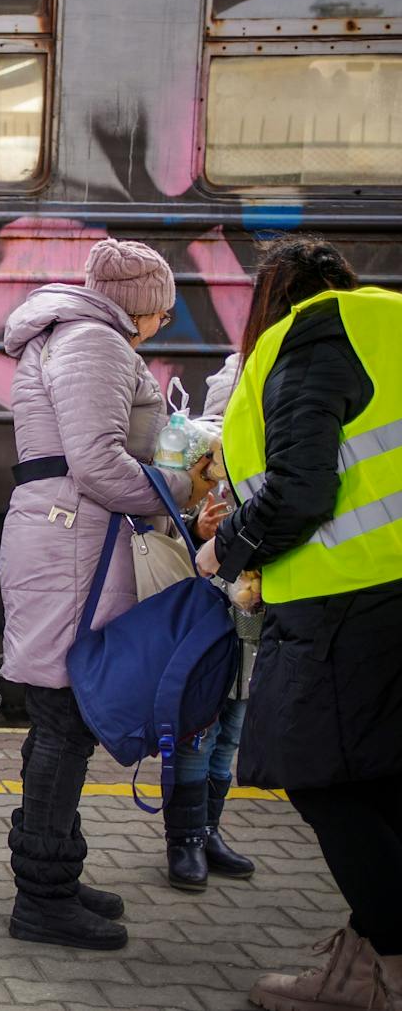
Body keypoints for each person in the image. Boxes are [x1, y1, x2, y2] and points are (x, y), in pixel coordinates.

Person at [190, 239, 402, 1011]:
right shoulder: (388, 324)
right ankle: (367, 957)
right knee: (381, 778)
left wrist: (227, 548)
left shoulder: (312, 340)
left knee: (318, 776)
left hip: (346, 601)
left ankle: (388, 958)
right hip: (382, 594)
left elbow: (302, 489)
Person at [0, 238, 200, 951]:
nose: (163, 323)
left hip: (70, 540)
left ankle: (54, 873)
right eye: (162, 310)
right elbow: (97, 462)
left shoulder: (73, 335)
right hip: (75, 546)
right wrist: (183, 488)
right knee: (65, 721)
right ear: (140, 305)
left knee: (61, 719)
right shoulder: (95, 341)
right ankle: (42, 898)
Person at [160, 239, 349, 892]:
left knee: (237, 715)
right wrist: (208, 521)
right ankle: (184, 838)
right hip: (231, 569)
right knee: (204, 712)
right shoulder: (243, 371)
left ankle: (209, 829)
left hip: (277, 573)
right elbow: (205, 465)